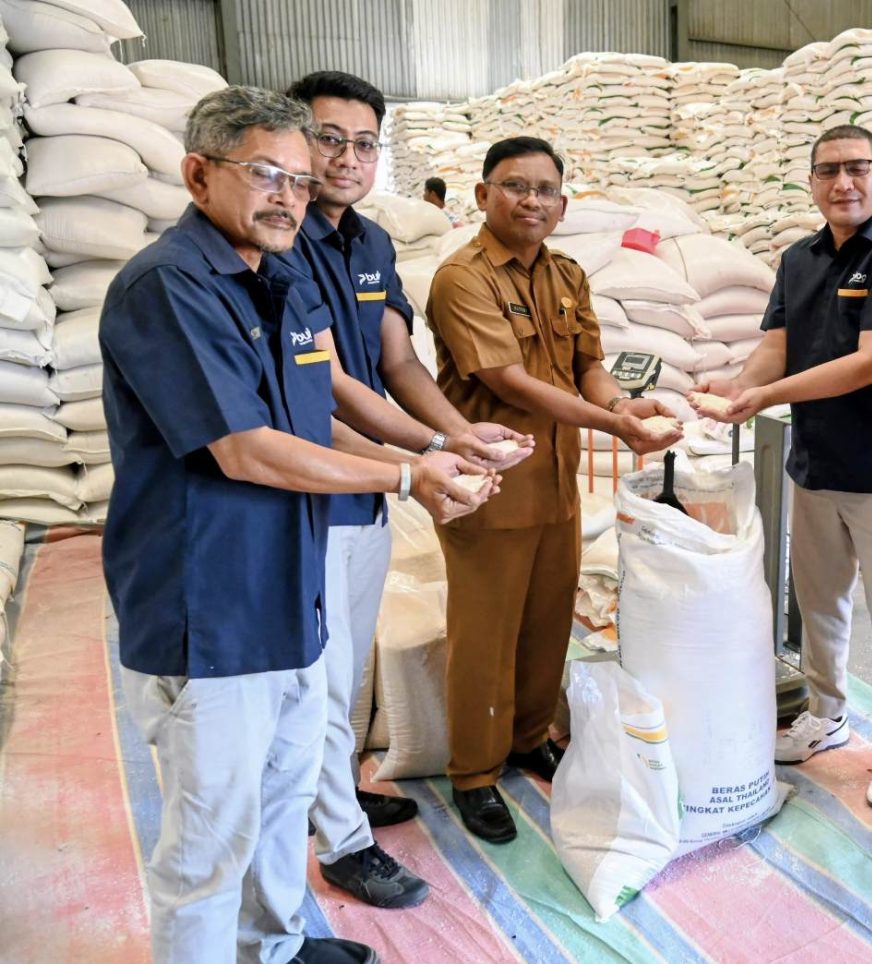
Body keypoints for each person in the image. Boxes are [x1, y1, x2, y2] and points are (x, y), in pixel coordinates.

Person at [101, 86, 494, 964]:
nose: (289, 196)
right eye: (265, 175)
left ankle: (272, 948)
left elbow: (314, 417)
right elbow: (244, 447)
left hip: (290, 590)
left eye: (298, 179)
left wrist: (433, 453)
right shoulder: (168, 287)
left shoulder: (279, 283)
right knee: (209, 842)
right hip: (212, 608)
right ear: (198, 174)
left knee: (283, 797)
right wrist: (407, 474)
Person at [281, 70, 533, 911]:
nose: (347, 158)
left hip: (367, 489)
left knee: (350, 663)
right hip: (311, 489)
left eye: (364, 143)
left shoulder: (372, 244)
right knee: (318, 675)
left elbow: (396, 363)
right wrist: (424, 456)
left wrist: (458, 435)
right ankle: (342, 845)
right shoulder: (278, 243)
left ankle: (336, 795)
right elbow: (327, 388)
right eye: (328, 138)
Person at [426, 136, 681, 842]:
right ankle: (474, 773)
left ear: (563, 205)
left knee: (546, 624)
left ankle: (529, 736)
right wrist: (614, 424)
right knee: (485, 635)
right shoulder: (462, 278)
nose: (530, 201)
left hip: (558, 483)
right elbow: (509, 382)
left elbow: (587, 365)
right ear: (483, 195)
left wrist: (620, 404)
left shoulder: (567, 274)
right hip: (490, 485)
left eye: (544, 190)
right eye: (515, 186)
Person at [695, 124, 872, 809]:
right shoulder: (799, 259)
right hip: (816, 463)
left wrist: (763, 398)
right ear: (811, 183)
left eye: (858, 168)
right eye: (829, 170)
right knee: (819, 604)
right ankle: (826, 714)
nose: (844, 182)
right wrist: (739, 385)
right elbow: (777, 346)